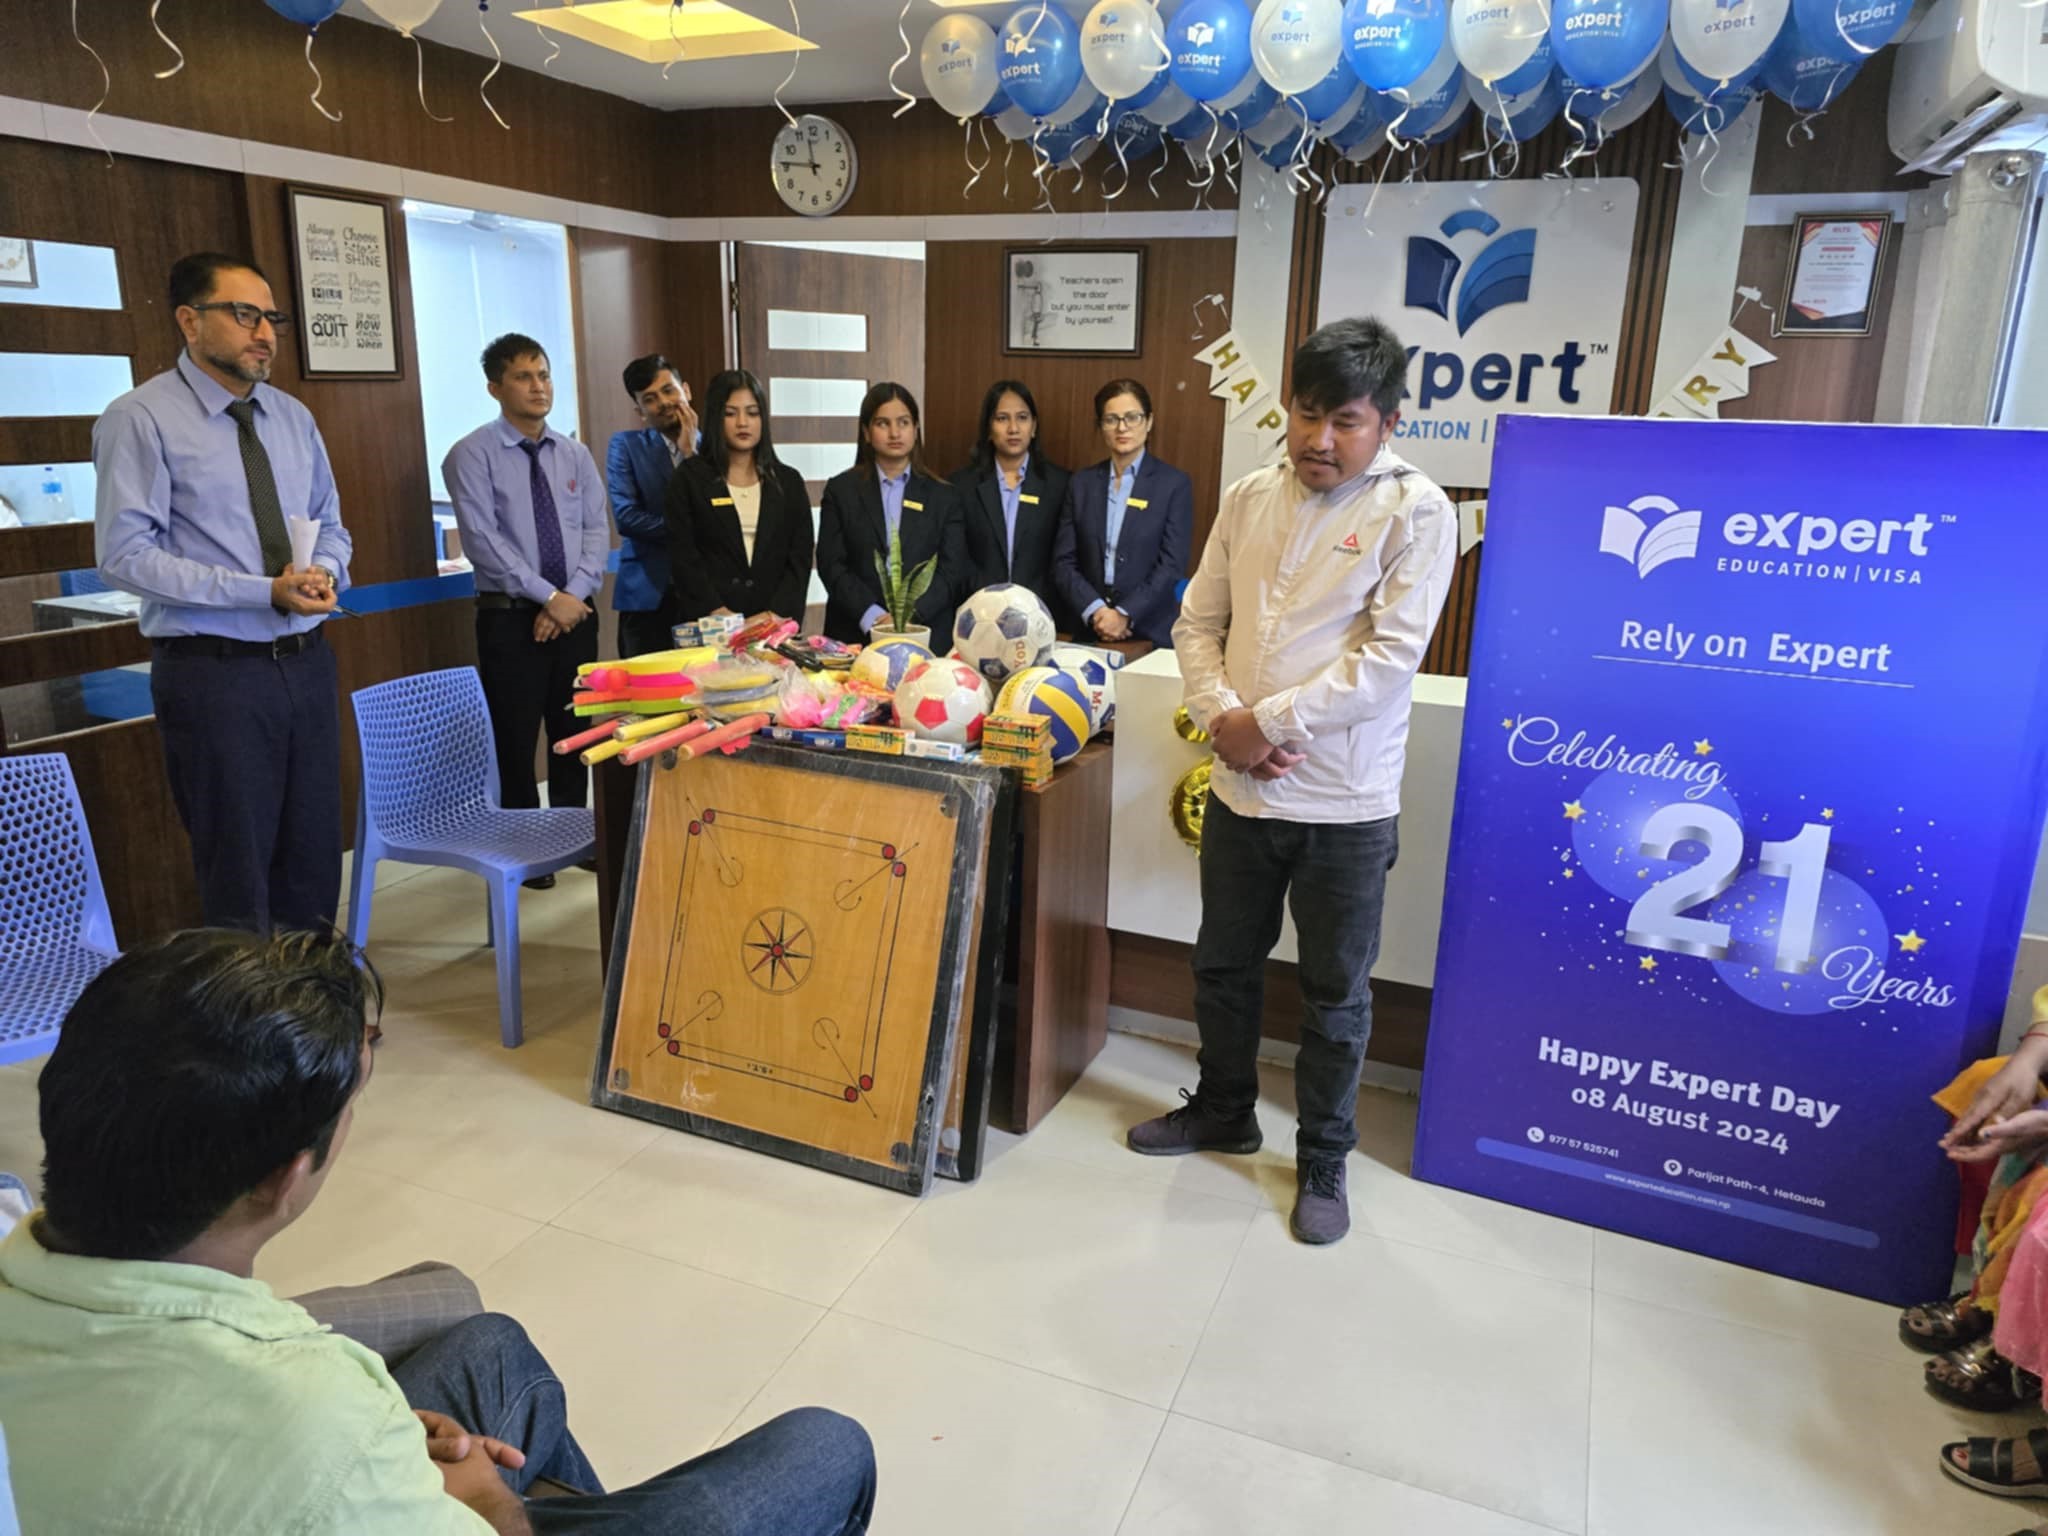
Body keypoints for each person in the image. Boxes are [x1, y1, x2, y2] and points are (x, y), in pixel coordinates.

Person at [0, 927, 878, 1534]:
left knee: (492, 1348)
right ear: (286, 1178)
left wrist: (395, 1451)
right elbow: (325, 1447)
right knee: (826, 1449)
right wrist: (482, 1503)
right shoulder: (318, 1420)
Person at [1126, 318, 1456, 1247]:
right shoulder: (1249, 496)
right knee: (1222, 966)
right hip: (1243, 794)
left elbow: (1387, 663)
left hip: (1344, 804)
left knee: (1334, 994)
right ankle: (1225, 1110)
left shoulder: (1417, 511)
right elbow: (1197, 623)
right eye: (1307, 414)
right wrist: (1222, 718)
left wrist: (1261, 725)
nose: (1319, 439)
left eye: (1345, 421)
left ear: (1388, 422)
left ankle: (1323, 1158)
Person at [93, 251, 352, 933]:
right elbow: (124, 557)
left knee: (314, 857)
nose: (264, 333)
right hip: (215, 674)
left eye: (271, 318)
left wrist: (324, 571)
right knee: (237, 866)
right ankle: (247, 1003)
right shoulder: (140, 418)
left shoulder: (291, 417)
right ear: (189, 321)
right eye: (244, 315)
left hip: (306, 664)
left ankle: (311, 994)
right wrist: (262, 591)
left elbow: (331, 525)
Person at [443, 334, 608, 888]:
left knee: (573, 728)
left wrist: (570, 598)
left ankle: (572, 836)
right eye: (523, 377)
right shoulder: (471, 454)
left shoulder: (575, 454)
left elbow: (595, 532)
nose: (538, 387)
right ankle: (524, 846)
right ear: (495, 388)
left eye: (543, 375)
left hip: (576, 613)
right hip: (510, 616)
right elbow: (483, 541)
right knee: (515, 735)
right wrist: (548, 597)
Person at [816, 383, 971, 647]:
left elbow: (951, 571)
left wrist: (908, 617)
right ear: (866, 432)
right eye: (882, 424)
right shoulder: (841, 491)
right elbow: (831, 564)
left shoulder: (945, 497)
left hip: (925, 634)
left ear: (916, 430)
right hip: (855, 632)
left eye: (903, 422)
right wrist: (874, 616)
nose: (895, 433)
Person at [1051, 379, 1193, 652]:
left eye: (1132, 417)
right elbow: (1063, 562)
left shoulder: (1174, 484)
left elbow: (1172, 565)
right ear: (1100, 426)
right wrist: (1096, 610)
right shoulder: (1081, 483)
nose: (1122, 427)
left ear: (1149, 422)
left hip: (1149, 631)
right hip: (1089, 629)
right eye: (1111, 419)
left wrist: (1125, 613)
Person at [664, 369, 814, 626]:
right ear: (715, 418)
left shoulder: (788, 482)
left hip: (773, 626)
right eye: (731, 413)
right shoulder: (689, 479)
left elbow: (799, 558)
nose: (743, 423)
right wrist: (717, 613)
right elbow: (683, 556)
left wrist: (773, 616)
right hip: (711, 625)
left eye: (752, 413)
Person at [950, 379, 1070, 623]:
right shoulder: (961, 486)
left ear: (1034, 427)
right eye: (1002, 418)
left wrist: (1027, 605)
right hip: (979, 617)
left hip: (1042, 617)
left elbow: (1063, 559)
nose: (1013, 428)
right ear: (988, 428)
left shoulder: (1060, 485)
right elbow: (957, 560)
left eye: (1022, 418)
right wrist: (993, 603)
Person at [604, 353, 698, 658]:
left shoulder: (714, 449)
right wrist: (688, 529)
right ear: (641, 411)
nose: (664, 402)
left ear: (686, 390)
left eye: (669, 390)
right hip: (646, 596)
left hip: (705, 595)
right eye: (650, 399)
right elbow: (627, 517)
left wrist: (690, 455)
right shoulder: (625, 446)